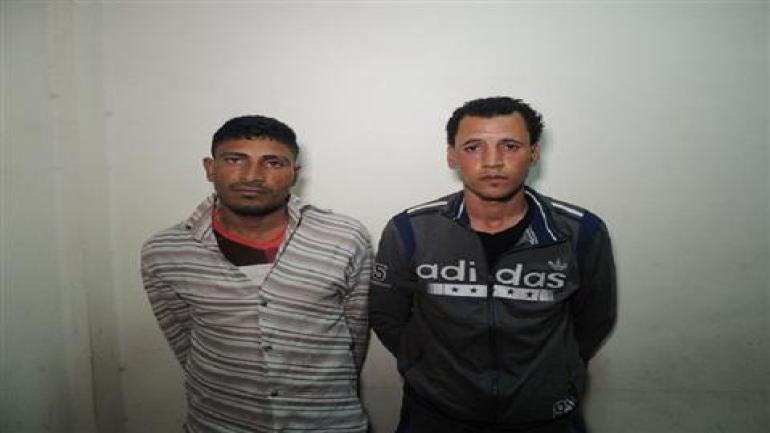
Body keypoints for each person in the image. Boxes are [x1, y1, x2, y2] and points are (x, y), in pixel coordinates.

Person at [370, 97, 616, 433]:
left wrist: (554, 374)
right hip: (435, 414)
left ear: (534, 153)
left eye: (510, 146)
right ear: (451, 156)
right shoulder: (411, 230)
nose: (492, 162)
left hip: (545, 417)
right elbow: (387, 315)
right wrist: (422, 365)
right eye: (473, 147)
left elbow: (594, 320)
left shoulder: (581, 232)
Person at [141, 115, 371, 433]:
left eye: (273, 163)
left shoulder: (344, 237)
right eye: (235, 160)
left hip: (328, 423)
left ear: (294, 174)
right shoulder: (166, 251)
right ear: (210, 168)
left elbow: (355, 334)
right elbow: (184, 341)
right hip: (219, 424)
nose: (252, 176)